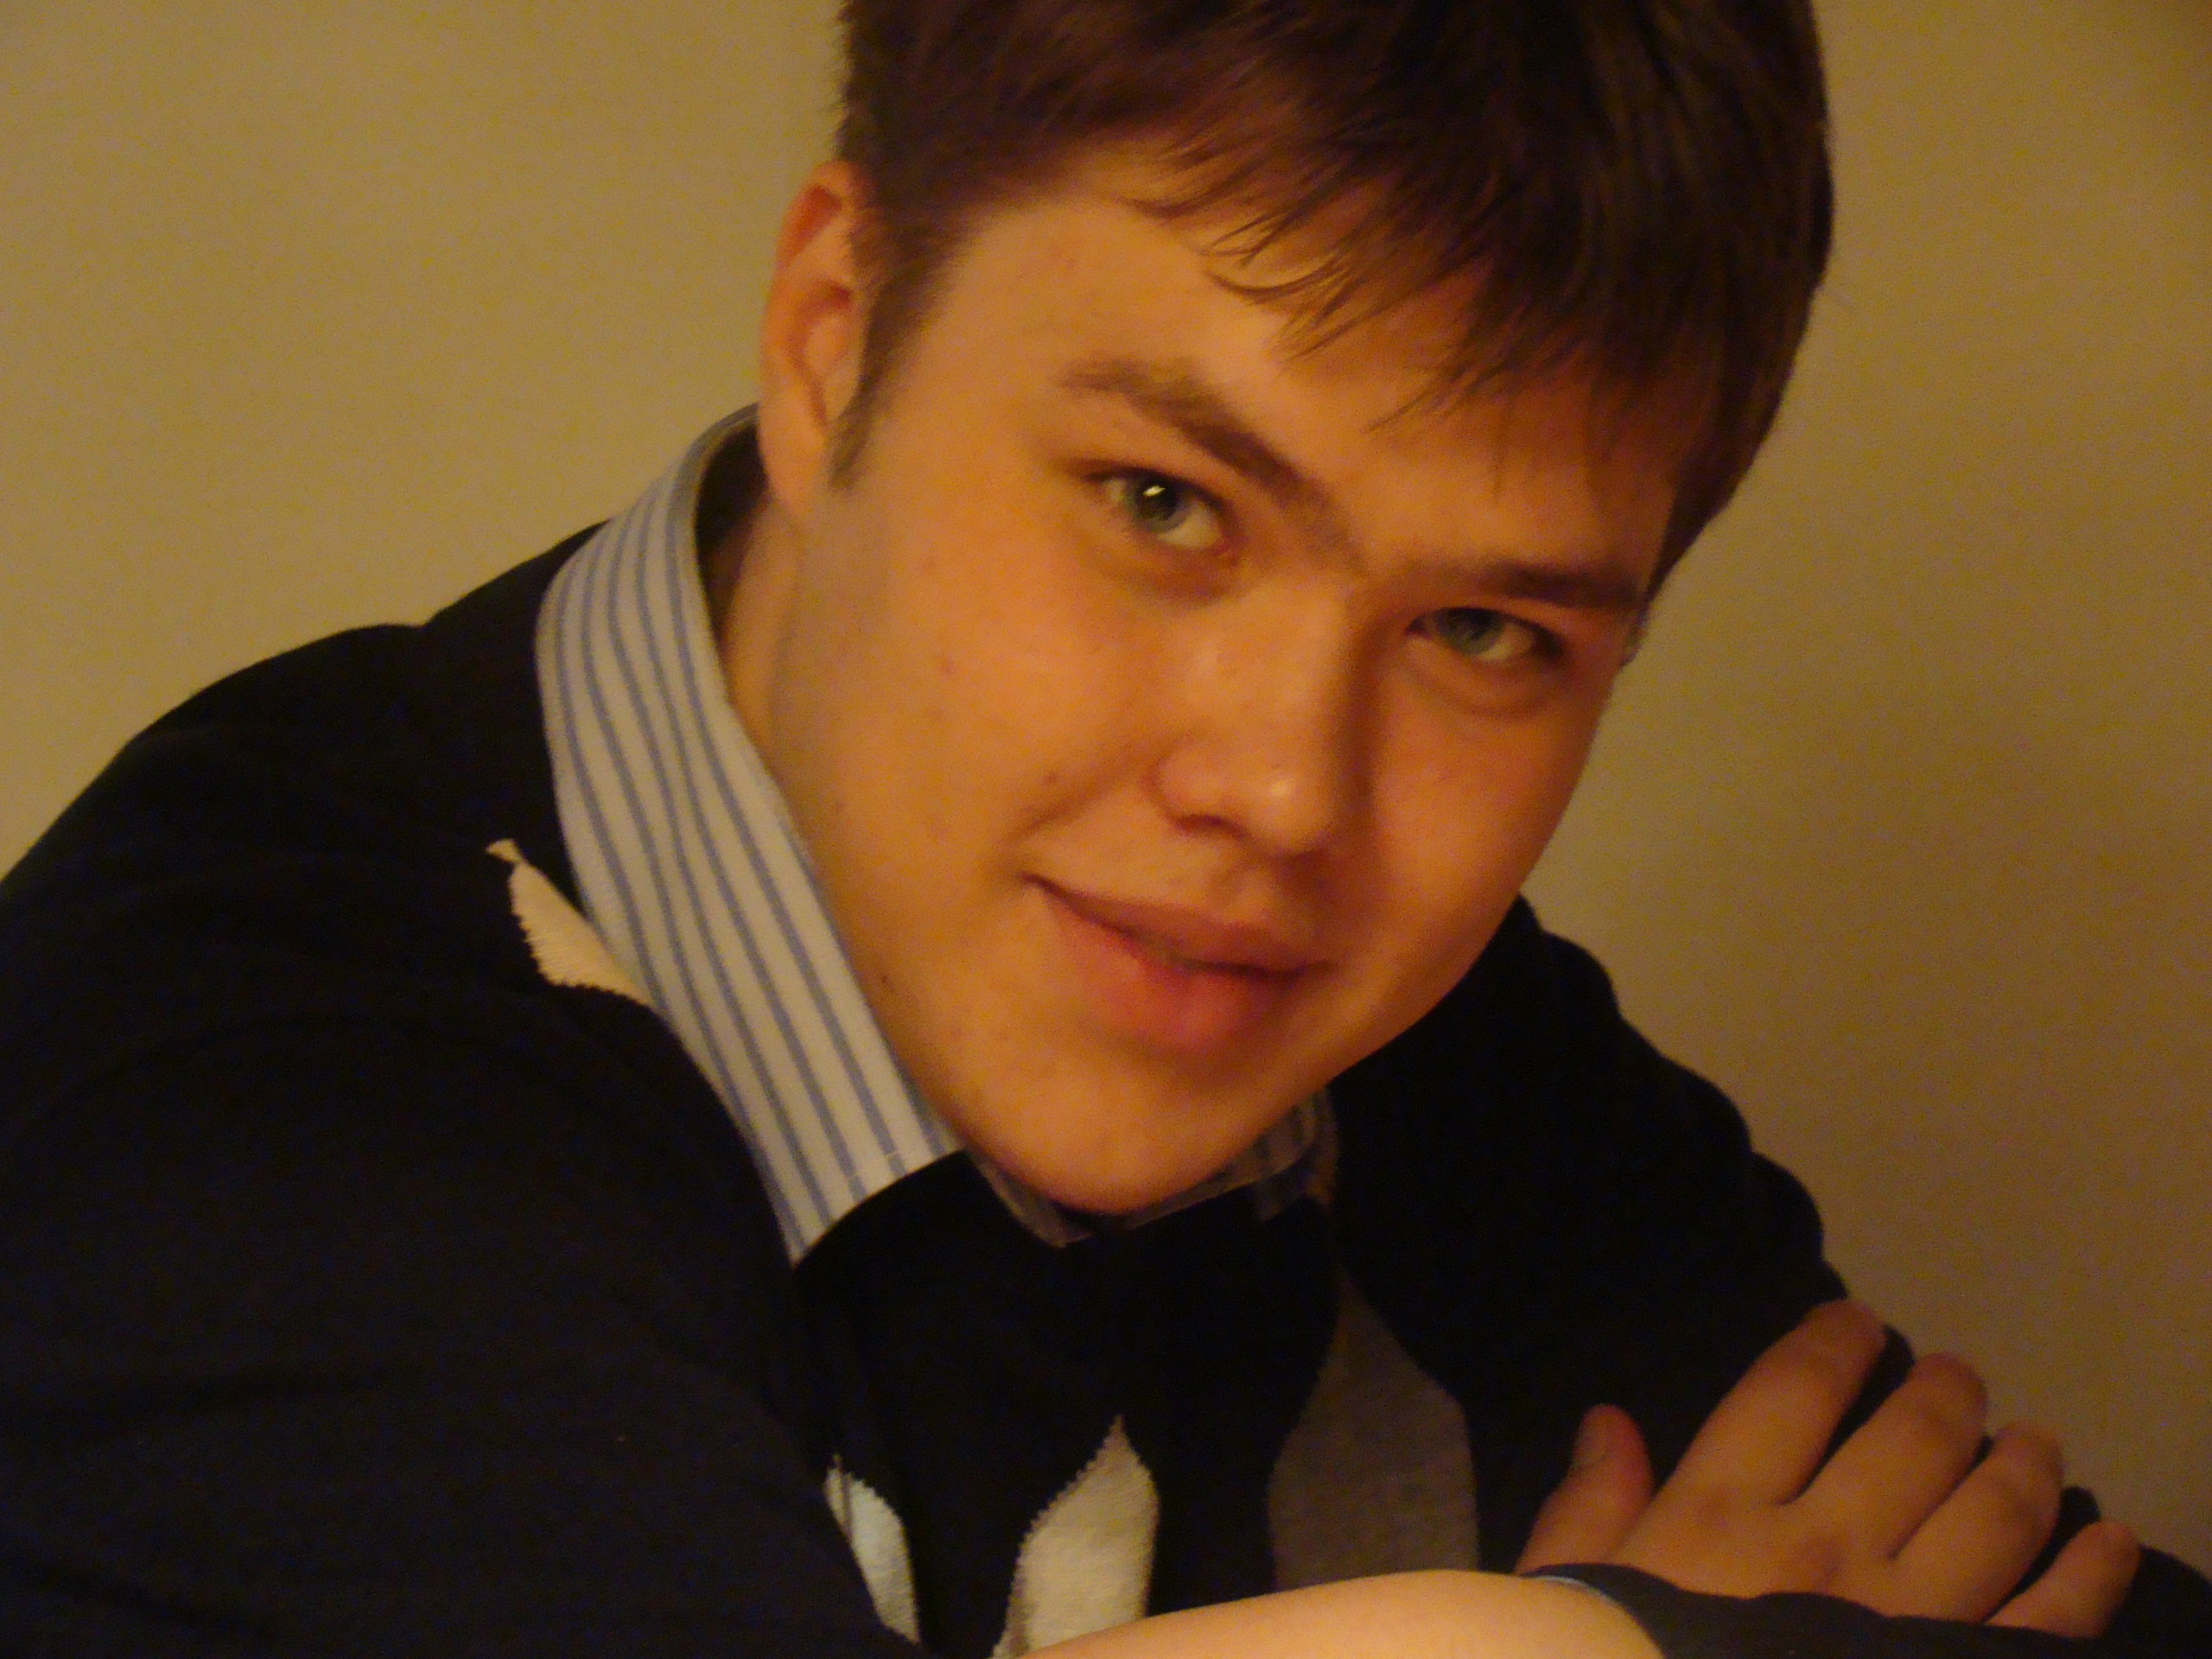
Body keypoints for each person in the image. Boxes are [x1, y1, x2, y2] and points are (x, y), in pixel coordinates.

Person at [1, 2, 2206, 1655]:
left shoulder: (1401, 1043)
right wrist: (1565, 1642)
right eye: (1164, 504)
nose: (1282, 791)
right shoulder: (237, 1102)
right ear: (832, 340)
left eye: (1482, 634)